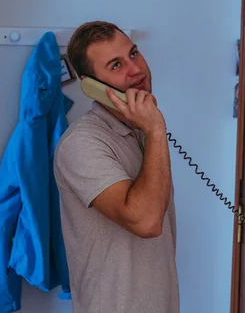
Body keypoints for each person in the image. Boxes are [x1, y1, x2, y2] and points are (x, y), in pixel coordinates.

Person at [53, 21, 179, 313]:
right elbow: (146, 222)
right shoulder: (82, 144)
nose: (136, 70)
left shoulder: (141, 132)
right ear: (91, 86)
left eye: (133, 54)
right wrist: (157, 131)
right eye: (116, 65)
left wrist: (151, 132)